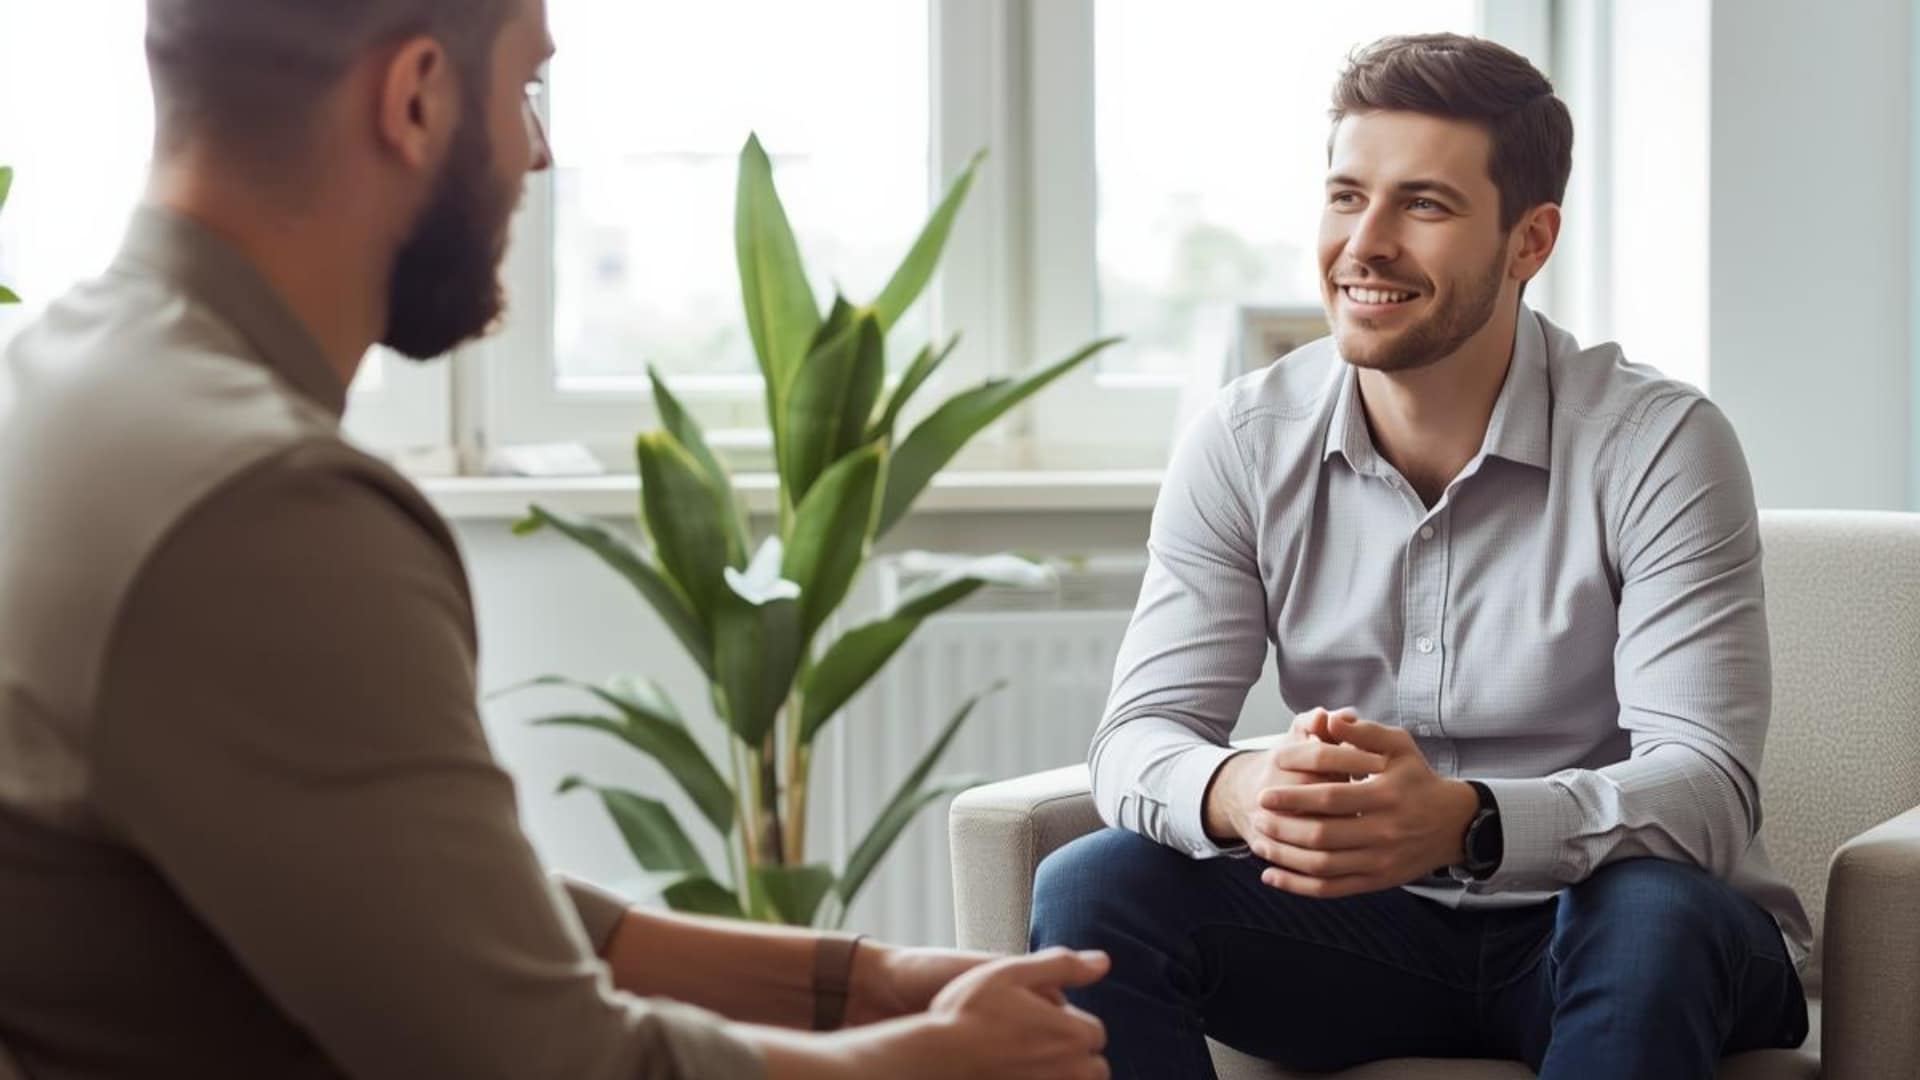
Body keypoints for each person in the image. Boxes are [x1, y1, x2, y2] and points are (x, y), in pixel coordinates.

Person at [0, 2, 1110, 1077]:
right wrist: (931, 1066)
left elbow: (419, 907)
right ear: (417, 96)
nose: (538, 154)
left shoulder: (67, 382)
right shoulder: (267, 510)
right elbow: (556, 1063)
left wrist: (867, 982)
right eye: (527, 87)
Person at [1030, 32, 1811, 1080]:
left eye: (1424, 206)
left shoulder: (1658, 444)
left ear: (1529, 241)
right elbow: (1137, 737)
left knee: (1649, 911)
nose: (1368, 243)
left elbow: (1707, 790)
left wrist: (1469, 824)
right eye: (1348, 196)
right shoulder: (1246, 439)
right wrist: (1240, 790)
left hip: (1621, 940)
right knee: (1094, 887)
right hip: (1362, 941)